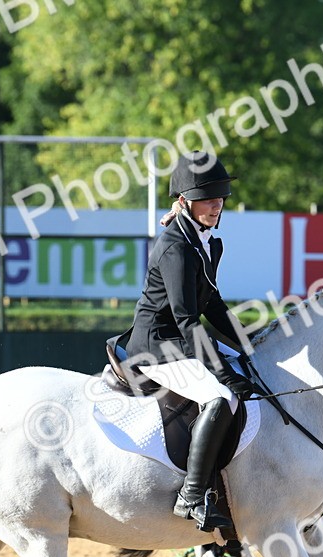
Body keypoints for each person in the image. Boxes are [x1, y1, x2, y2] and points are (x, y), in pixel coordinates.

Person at [120, 151, 253, 533]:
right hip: (157, 344)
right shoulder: (176, 246)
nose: (216, 205)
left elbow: (212, 303)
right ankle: (192, 495)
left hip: (181, 337)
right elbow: (186, 319)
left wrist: (248, 343)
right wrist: (223, 373)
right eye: (207, 199)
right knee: (221, 397)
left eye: (220, 197)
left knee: (251, 368)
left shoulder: (207, 242)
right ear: (184, 201)